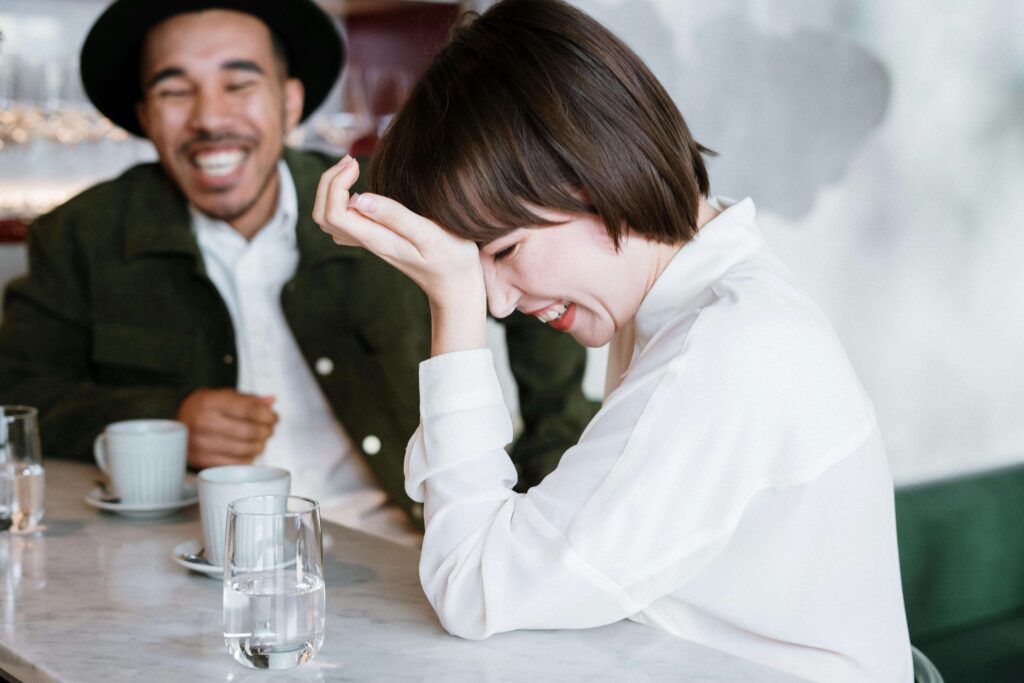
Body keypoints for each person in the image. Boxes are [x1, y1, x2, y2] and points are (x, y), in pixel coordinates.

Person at [314, 0, 913, 679]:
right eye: (474, 269)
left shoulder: (726, 351)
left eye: (504, 250)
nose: (499, 301)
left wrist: (451, 303)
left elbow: (471, 584)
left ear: (590, 172)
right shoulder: (689, 309)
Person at [0, 0, 595, 542]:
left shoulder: (393, 201)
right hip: (195, 564)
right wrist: (168, 415)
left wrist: (541, 504)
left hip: (407, 552)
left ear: (289, 102)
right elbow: (18, 400)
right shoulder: (80, 234)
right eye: (175, 91)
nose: (210, 119)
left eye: (239, 84)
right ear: (145, 116)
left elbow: (533, 304)